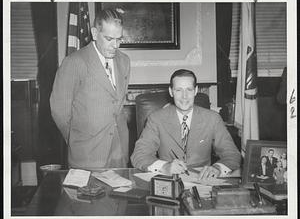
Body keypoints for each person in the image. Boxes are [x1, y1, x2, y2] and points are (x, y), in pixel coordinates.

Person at [50, 9, 130, 170]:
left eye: (119, 39)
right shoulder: (74, 62)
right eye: (109, 39)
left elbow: (118, 103)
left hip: (119, 151)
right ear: (94, 33)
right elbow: (60, 111)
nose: (115, 45)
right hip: (87, 154)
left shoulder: (124, 61)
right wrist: (78, 138)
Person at [131, 69, 241, 179]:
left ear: (196, 90)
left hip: (203, 181)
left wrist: (217, 168)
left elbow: (232, 154)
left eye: (189, 89)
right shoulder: (156, 119)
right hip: (170, 181)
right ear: (171, 92)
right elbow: (139, 155)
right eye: (178, 90)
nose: (184, 96)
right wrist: (165, 167)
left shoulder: (212, 119)